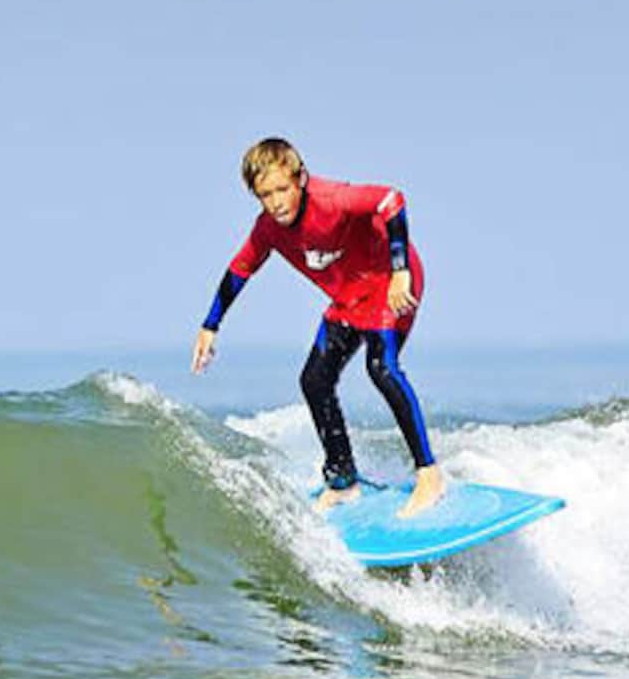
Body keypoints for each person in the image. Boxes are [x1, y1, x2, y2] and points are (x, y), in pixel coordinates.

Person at [191, 137, 448, 517]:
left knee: (381, 368)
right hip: (349, 299)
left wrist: (400, 271)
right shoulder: (268, 230)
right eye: (265, 195)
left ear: (301, 179)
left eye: (282, 189)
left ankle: (429, 475)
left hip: (390, 285)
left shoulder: (332, 199)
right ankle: (342, 479)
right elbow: (240, 269)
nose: (276, 202)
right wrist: (210, 325)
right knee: (314, 380)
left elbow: (391, 200)